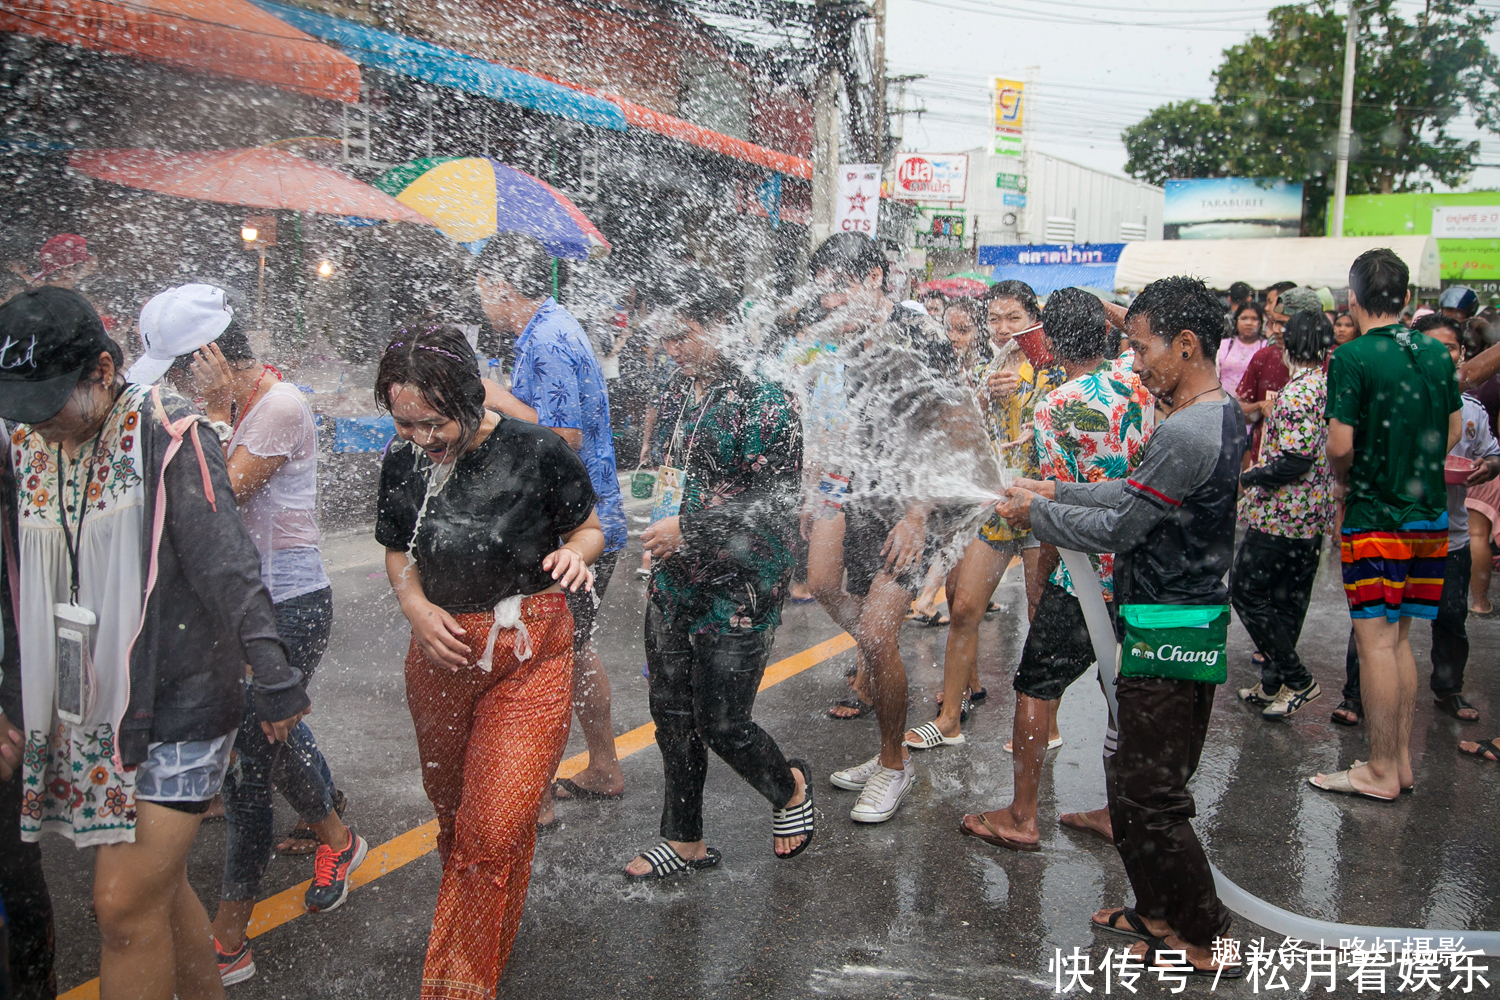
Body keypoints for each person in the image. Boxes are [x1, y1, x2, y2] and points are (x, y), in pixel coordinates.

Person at [0, 287, 309, 1000]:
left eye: (50, 405)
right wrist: (15, 696)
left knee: (121, 904)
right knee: (158, 893)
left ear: (103, 372)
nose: (38, 425)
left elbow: (227, 561)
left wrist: (274, 673)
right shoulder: (25, 442)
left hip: (180, 702)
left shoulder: (170, 435)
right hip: (90, 707)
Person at [996, 275, 1245, 979]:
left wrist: (1038, 514)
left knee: (1151, 792)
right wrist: (1058, 489)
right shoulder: (1202, 414)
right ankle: (1156, 909)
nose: (1134, 364)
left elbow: (1126, 525)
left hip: (1173, 626)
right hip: (1159, 617)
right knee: (1131, 772)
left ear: (1187, 344)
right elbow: (1134, 493)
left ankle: (1204, 934)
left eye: (1141, 349)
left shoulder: (1191, 428)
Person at [125, 285, 361, 984]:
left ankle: (230, 931)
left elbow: (213, 506)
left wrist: (220, 409)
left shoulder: (277, 407)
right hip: (243, 606)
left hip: (287, 607)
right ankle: (337, 837)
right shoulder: (214, 411)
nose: (173, 387)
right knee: (271, 741)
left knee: (251, 765)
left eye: (178, 371)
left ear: (207, 357)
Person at [375, 326, 603, 999]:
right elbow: (397, 552)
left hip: (529, 652)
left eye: (435, 421)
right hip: (440, 655)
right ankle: (477, 911)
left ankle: (459, 982)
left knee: (494, 825)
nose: (422, 437)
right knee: (454, 815)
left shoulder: (537, 452)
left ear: (472, 396)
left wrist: (576, 556)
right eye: (404, 422)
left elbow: (589, 526)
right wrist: (414, 607)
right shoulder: (403, 461)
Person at [622, 272, 810, 877]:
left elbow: (777, 503)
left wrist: (691, 527)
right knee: (673, 716)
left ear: (723, 326)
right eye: (665, 338)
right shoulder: (680, 393)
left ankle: (789, 791)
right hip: (675, 578)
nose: (672, 349)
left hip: (743, 586)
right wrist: (659, 520)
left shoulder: (769, 399)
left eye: (682, 336)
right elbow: (673, 476)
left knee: (724, 722)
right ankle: (684, 840)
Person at [956, 288, 1153, 850]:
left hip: (1083, 577)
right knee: (1126, 693)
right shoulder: (1139, 379)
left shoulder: (1054, 406)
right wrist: (1105, 309)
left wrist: (1039, 579)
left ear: (1051, 340)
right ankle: (1120, 812)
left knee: (1036, 689)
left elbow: (1052, 507)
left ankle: (1022, 815)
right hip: (1141, 571)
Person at [802, 232, 972, 824]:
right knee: (822, 583)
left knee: (876, 634)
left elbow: (942, 430)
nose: (829, 303)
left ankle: (892, 763)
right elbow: (847, 424)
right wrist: (820, 488)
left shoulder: (919, 336)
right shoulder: (849, 342)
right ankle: (881, 662)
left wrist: (917, 515)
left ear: (875, 276)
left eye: (839, 288)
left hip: (916, 506)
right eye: (824, 293)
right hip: (859, 491)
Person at [473, 233, 627, 813]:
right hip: (575, 520)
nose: (479, 298)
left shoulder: (551, 339)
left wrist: (496, 399)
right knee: (571, 648)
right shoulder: (545, 328)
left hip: (578, 527)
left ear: (501, 286)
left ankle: (532, 790)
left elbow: (563, 438)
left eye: (481, 286)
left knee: (549, 655)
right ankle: (603, 766)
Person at [1313, 248, 1463, 802]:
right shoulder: (1435, 352)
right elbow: (1451, 432)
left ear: (1353, 298)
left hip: (1377, 516)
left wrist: (1352, 473)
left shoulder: (1352, 358)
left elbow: (1340, 445)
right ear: (1406, 298)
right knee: (1400, 641)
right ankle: (1396, 761)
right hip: (1430, 517)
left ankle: (1378, 770)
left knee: (1374, 641)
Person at [902, 281, 1063, 748]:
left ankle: (1045, 723)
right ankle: (950, 718)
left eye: (1013, 318)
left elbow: (1064, 418)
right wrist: (984, 398)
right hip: (993, 502)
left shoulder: (1051, 365)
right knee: (966, 607)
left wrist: (1028, 389)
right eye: (994, 318)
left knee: (1039, 614)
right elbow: (967, 431)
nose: (1002, 328)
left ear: (1034, 316)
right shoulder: (985, 365)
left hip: (1037, 504)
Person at [1338, 313, 1497, 728]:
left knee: (1418, 628)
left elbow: (1341, 450)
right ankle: (1362, 707)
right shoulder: (1397, 396)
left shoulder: (1466, 409)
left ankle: (1438, 698)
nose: (1442, 356)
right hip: (1412, 524)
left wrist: (1486, 466)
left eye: (1451, 349)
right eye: (1435, 348)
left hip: (1423, 528)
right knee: (1384, 635)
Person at [1231, 310, 1336, 719]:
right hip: (1310, 514)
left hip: (1282, 514)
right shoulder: (1323, 386)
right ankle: (1273, 683)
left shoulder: (1295, 394)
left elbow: (1294, 459)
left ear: (1289, 345)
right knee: (1287, 600)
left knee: (1246, 590)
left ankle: (1297, 678)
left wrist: (1251, 476)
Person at [1238, 287, 1322, 462]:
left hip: (1313, 479)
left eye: (1284, 324)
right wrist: (1260, 407)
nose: (1276, 330)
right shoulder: (1264, 357)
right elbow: (1239, 412)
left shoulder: (1333, 362)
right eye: (1273, 322)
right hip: (1263, 470)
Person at [1216, 302, 1264, 401]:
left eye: (1254, 319)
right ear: (1236, 321)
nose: (1249, 323)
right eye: (1244, 318)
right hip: (1223, 404)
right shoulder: (1223, 345)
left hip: (1252, 407)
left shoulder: (1265, 347)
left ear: (1260, 323)